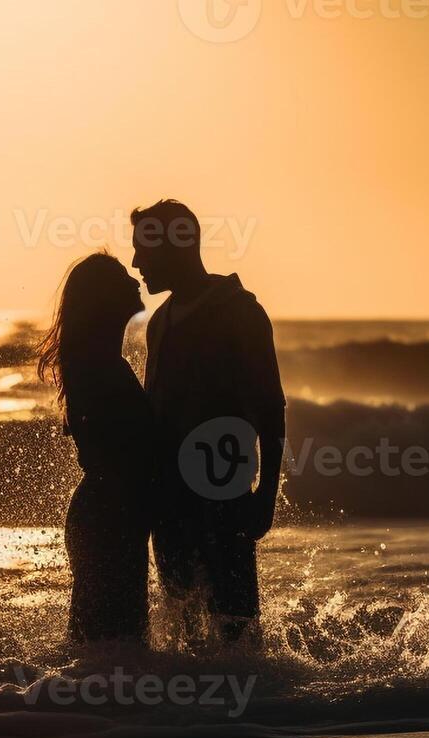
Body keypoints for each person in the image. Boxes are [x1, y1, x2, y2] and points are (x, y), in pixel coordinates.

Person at [130, 200, 286, 644]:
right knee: (184, 631)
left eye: (144, 249)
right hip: (169, 503)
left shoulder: (239, 311)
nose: (137, 261)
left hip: (225, 499)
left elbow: (271, 407)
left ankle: (248, 710)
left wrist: (267, 495)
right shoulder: (159, 323)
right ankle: (195, 713)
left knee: (235, 629)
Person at [37, 253, 155, 643]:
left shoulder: (99, 362)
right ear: (104, 297)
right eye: (122, 276)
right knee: (113, 649)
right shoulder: (99, 366)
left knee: (105, 647)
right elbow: (132, 451)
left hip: (108, 515)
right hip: (109, 518)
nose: (134, 279)